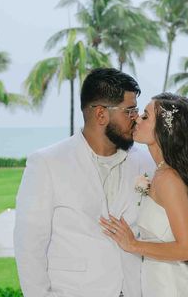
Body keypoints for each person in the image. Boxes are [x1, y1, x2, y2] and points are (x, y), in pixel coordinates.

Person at [14, 68, 155, 297]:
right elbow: (29, 245)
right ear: (101, 114)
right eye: (130, 111)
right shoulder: (47, 163)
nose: (136, 118)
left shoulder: (145, 162)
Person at [100, 92, 188, 296]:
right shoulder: (164, 173)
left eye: (145, 116)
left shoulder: (168, 179)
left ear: (164, 130)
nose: (136, 118)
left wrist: (133, 244)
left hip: (172, 285)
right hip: (160, 280)